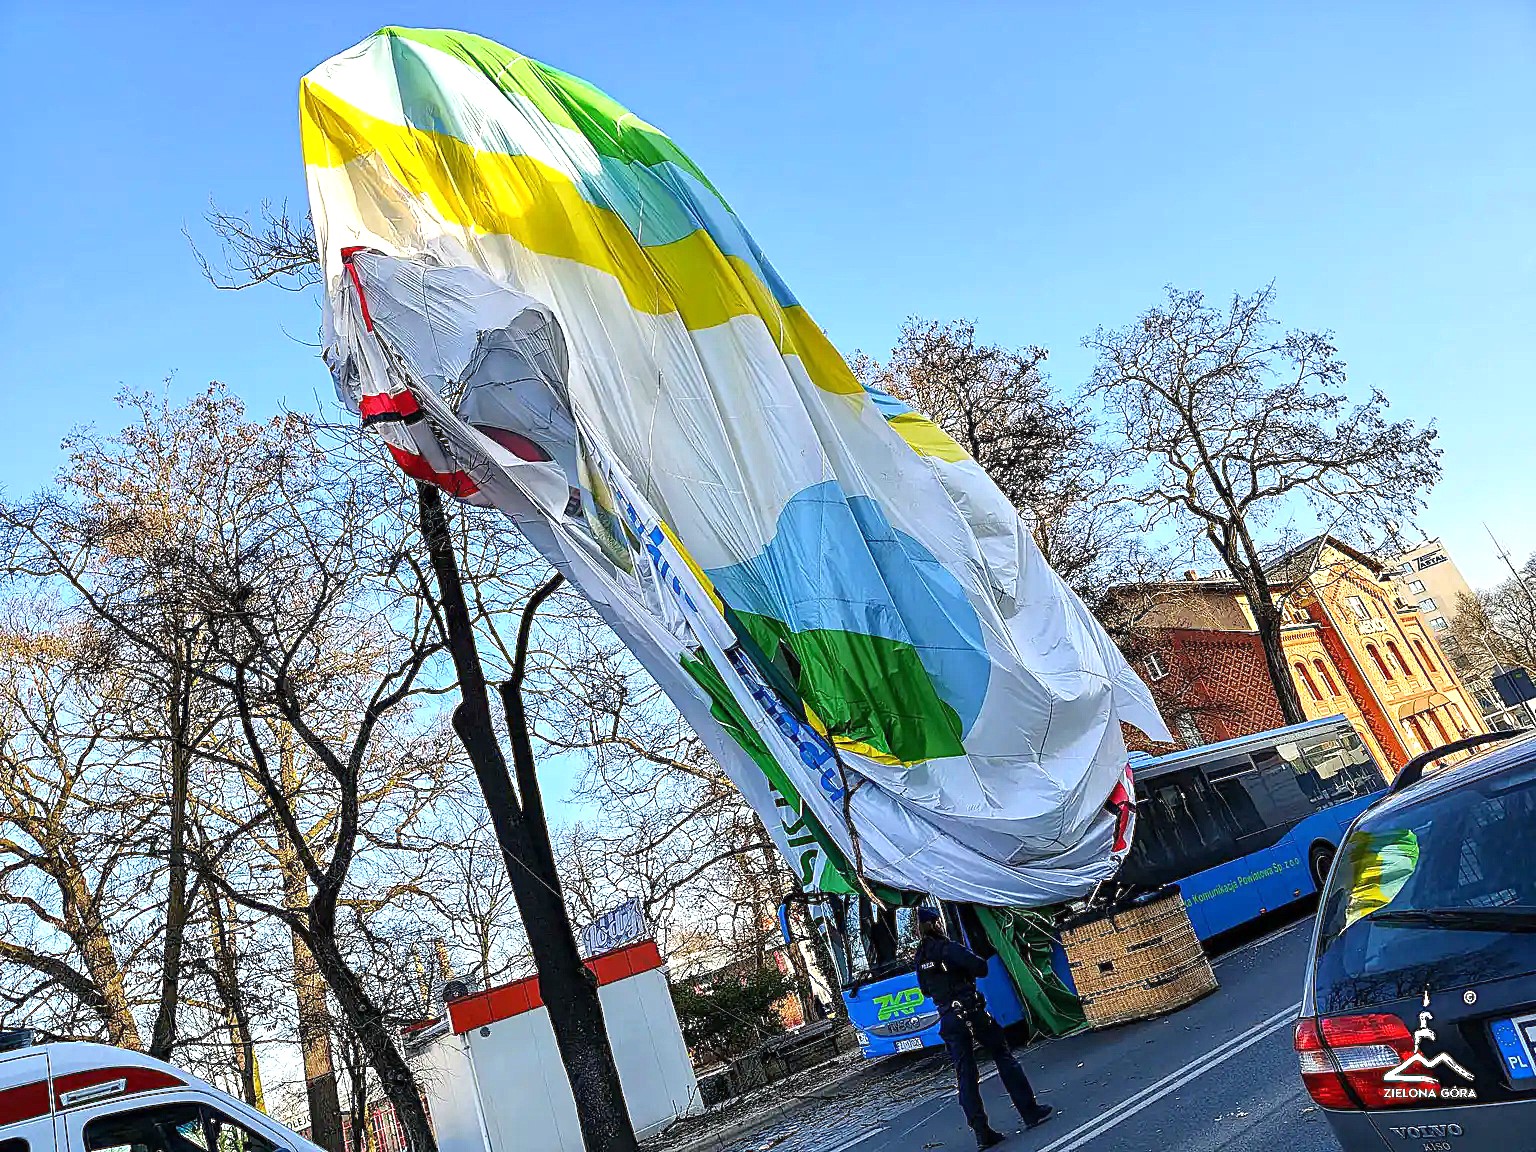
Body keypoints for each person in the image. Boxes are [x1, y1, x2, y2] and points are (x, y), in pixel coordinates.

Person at [913, 906, 1053, 1148]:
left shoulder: (921, 957)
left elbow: (925, 990)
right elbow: (981, 967)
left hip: (948, 1017)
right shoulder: (949, 948)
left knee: (965, 1076)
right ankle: (1029, 1111)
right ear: (936, 924)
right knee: (1003, 1055)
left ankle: (982, 1133)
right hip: (971, 1011)